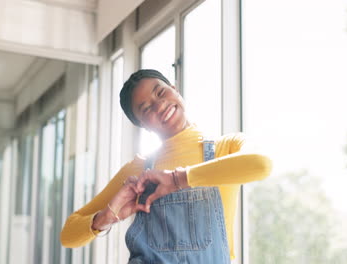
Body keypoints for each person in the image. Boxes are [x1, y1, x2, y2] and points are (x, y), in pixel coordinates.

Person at [60, 69, 272, 263]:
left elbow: (262, 164)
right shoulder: (137, 171)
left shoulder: (226, 147)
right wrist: (106, 217)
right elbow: (68, 235)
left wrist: (177, 179)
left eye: (161, 93)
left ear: (175, 89)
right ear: (141, 125)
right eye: (146, 108)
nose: (160, 106)